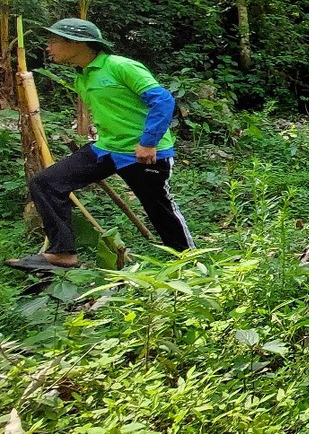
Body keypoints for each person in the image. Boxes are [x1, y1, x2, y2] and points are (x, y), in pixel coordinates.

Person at [5, 19, 193, 272]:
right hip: (106, 149)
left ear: (77, 43)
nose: (48, 48)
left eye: (54, 41)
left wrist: (148, 142)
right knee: (46, 183)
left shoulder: (120, 66)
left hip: (143, 153)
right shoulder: (82, 76)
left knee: (159, 209)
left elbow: (163, 101)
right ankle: (62, 253)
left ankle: (188, 263)